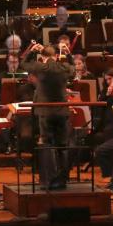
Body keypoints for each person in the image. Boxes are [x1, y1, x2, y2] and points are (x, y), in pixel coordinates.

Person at [22, 42, 75, 189]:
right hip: (61, 113)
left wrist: (32, 51)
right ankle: (62, 179)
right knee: (62, 146)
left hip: (45, 113)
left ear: (43, 57)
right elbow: (74, 69)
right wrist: (68, 54)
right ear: (56, 56)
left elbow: (24, 64)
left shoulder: (40, 67)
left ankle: (49, 180)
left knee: (47, 145)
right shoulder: (63, 68)